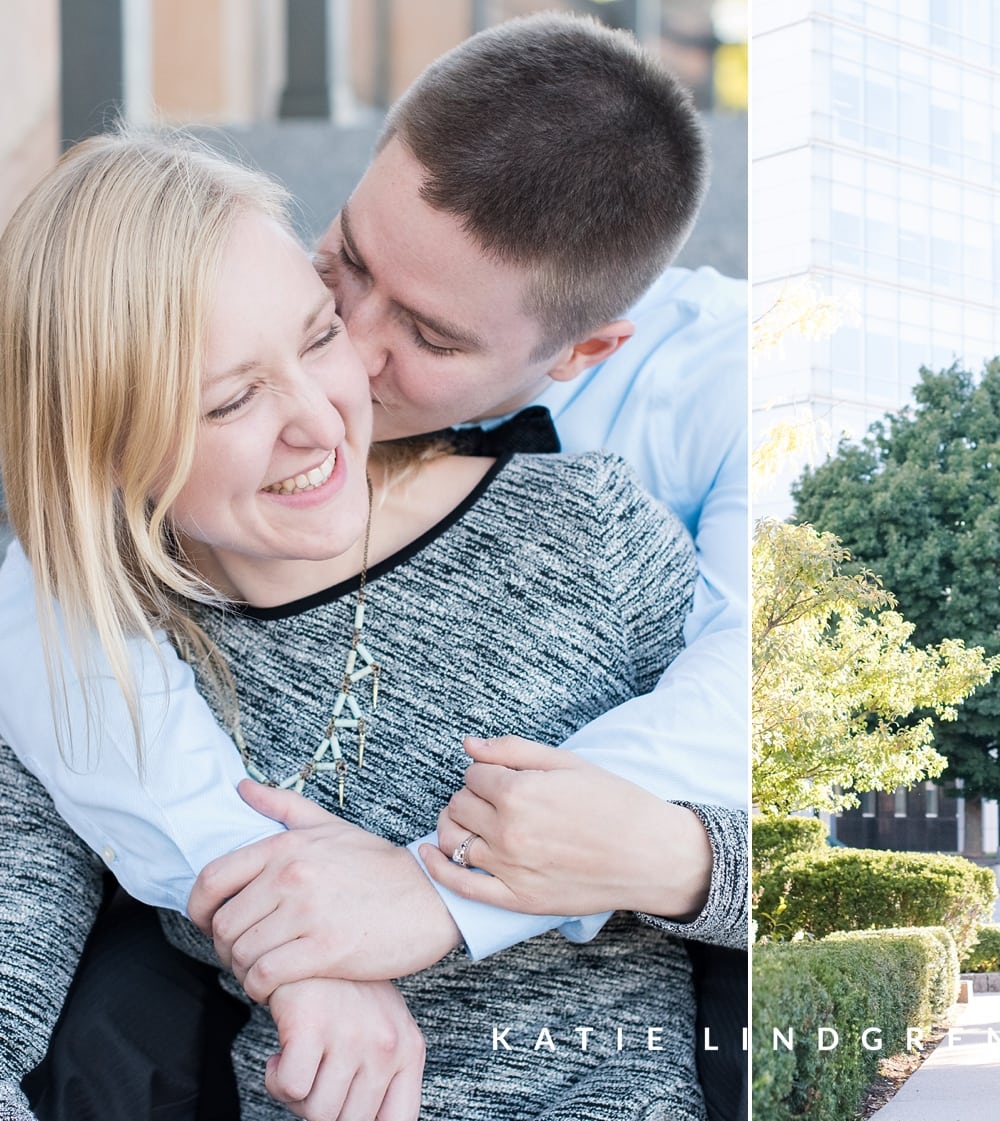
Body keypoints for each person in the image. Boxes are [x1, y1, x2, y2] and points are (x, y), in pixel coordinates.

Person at [0, 13, 748, 1120]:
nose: (347, 358)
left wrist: (512, 879)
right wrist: (284, 934)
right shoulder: (99, 631)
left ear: (582, 355)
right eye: (341, 268)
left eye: (426, 338)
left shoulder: (607, 512)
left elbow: (785, 803)